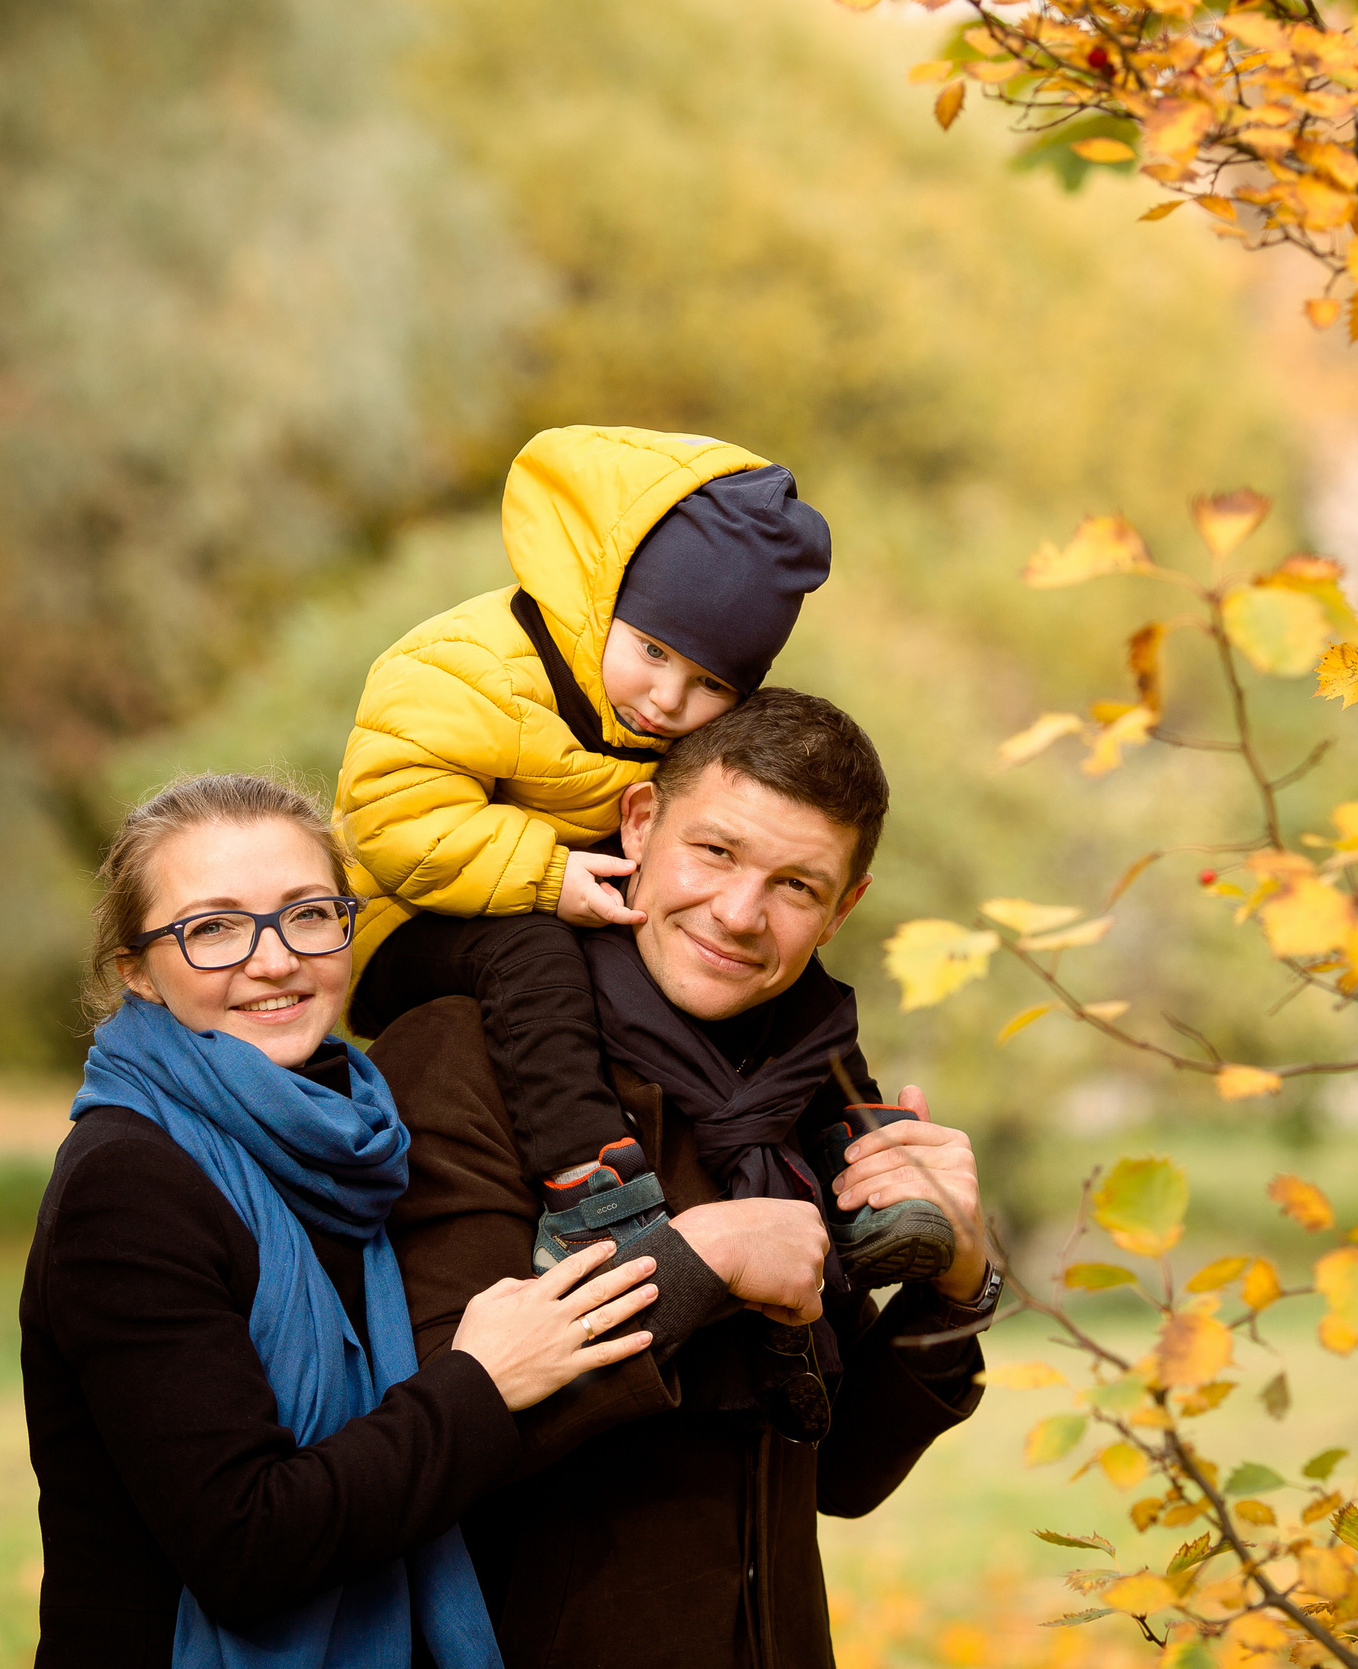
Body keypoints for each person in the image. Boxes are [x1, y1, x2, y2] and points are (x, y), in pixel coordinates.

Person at [368, 693, 1002, 1669]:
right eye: (716, 852)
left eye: (796, 885)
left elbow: (839, 1469)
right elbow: (426, 1442)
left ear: (845, 906)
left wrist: (956, 1280)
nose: (740, 915)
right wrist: (695, 1268)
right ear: (638, 823)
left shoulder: (805, 1086)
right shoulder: (465, 1056)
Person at [20, 772, 662, 1669]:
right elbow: (245, 1544)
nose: (276, 958)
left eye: (308, 912)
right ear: (139, 972)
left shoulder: (363, 1144)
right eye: (212, 928)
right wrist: (481, 1381)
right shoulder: (127, 1186)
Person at [336, 427, 951, 1290]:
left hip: (559, 880)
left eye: (710, 684)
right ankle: (591, 1190)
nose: (670, 698)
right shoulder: (468, 667)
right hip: (412, 914)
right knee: (536, 951)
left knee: (777, 959)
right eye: (654, 652)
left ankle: (864, 1153)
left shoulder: (646, 713)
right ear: (602, 599)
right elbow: (392, 815)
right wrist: (549, 878)